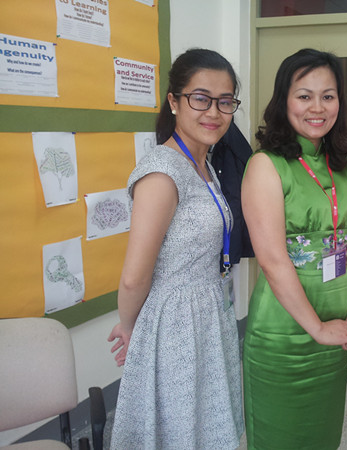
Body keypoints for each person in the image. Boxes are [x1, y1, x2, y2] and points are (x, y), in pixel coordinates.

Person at [107, 48, 244, 449]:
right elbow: (135, 276)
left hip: (207, 312)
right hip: (175, 324)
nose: (214, 112)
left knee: (203, 426)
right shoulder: (162, 172)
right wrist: (130, 327)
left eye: (225, 101)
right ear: (174, 101)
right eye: (200, 99)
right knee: (181, 430)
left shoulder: (203, 164)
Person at [241, 48, 347, 450]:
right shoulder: (266, 165)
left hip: (335, 324)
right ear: (284, 101)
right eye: (304, 96)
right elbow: (272, 261)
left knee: (321, 435)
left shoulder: (346, 165)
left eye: (328, 96)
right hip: (284, 331)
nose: (317, 107)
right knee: (279, 437)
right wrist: (316, 328)